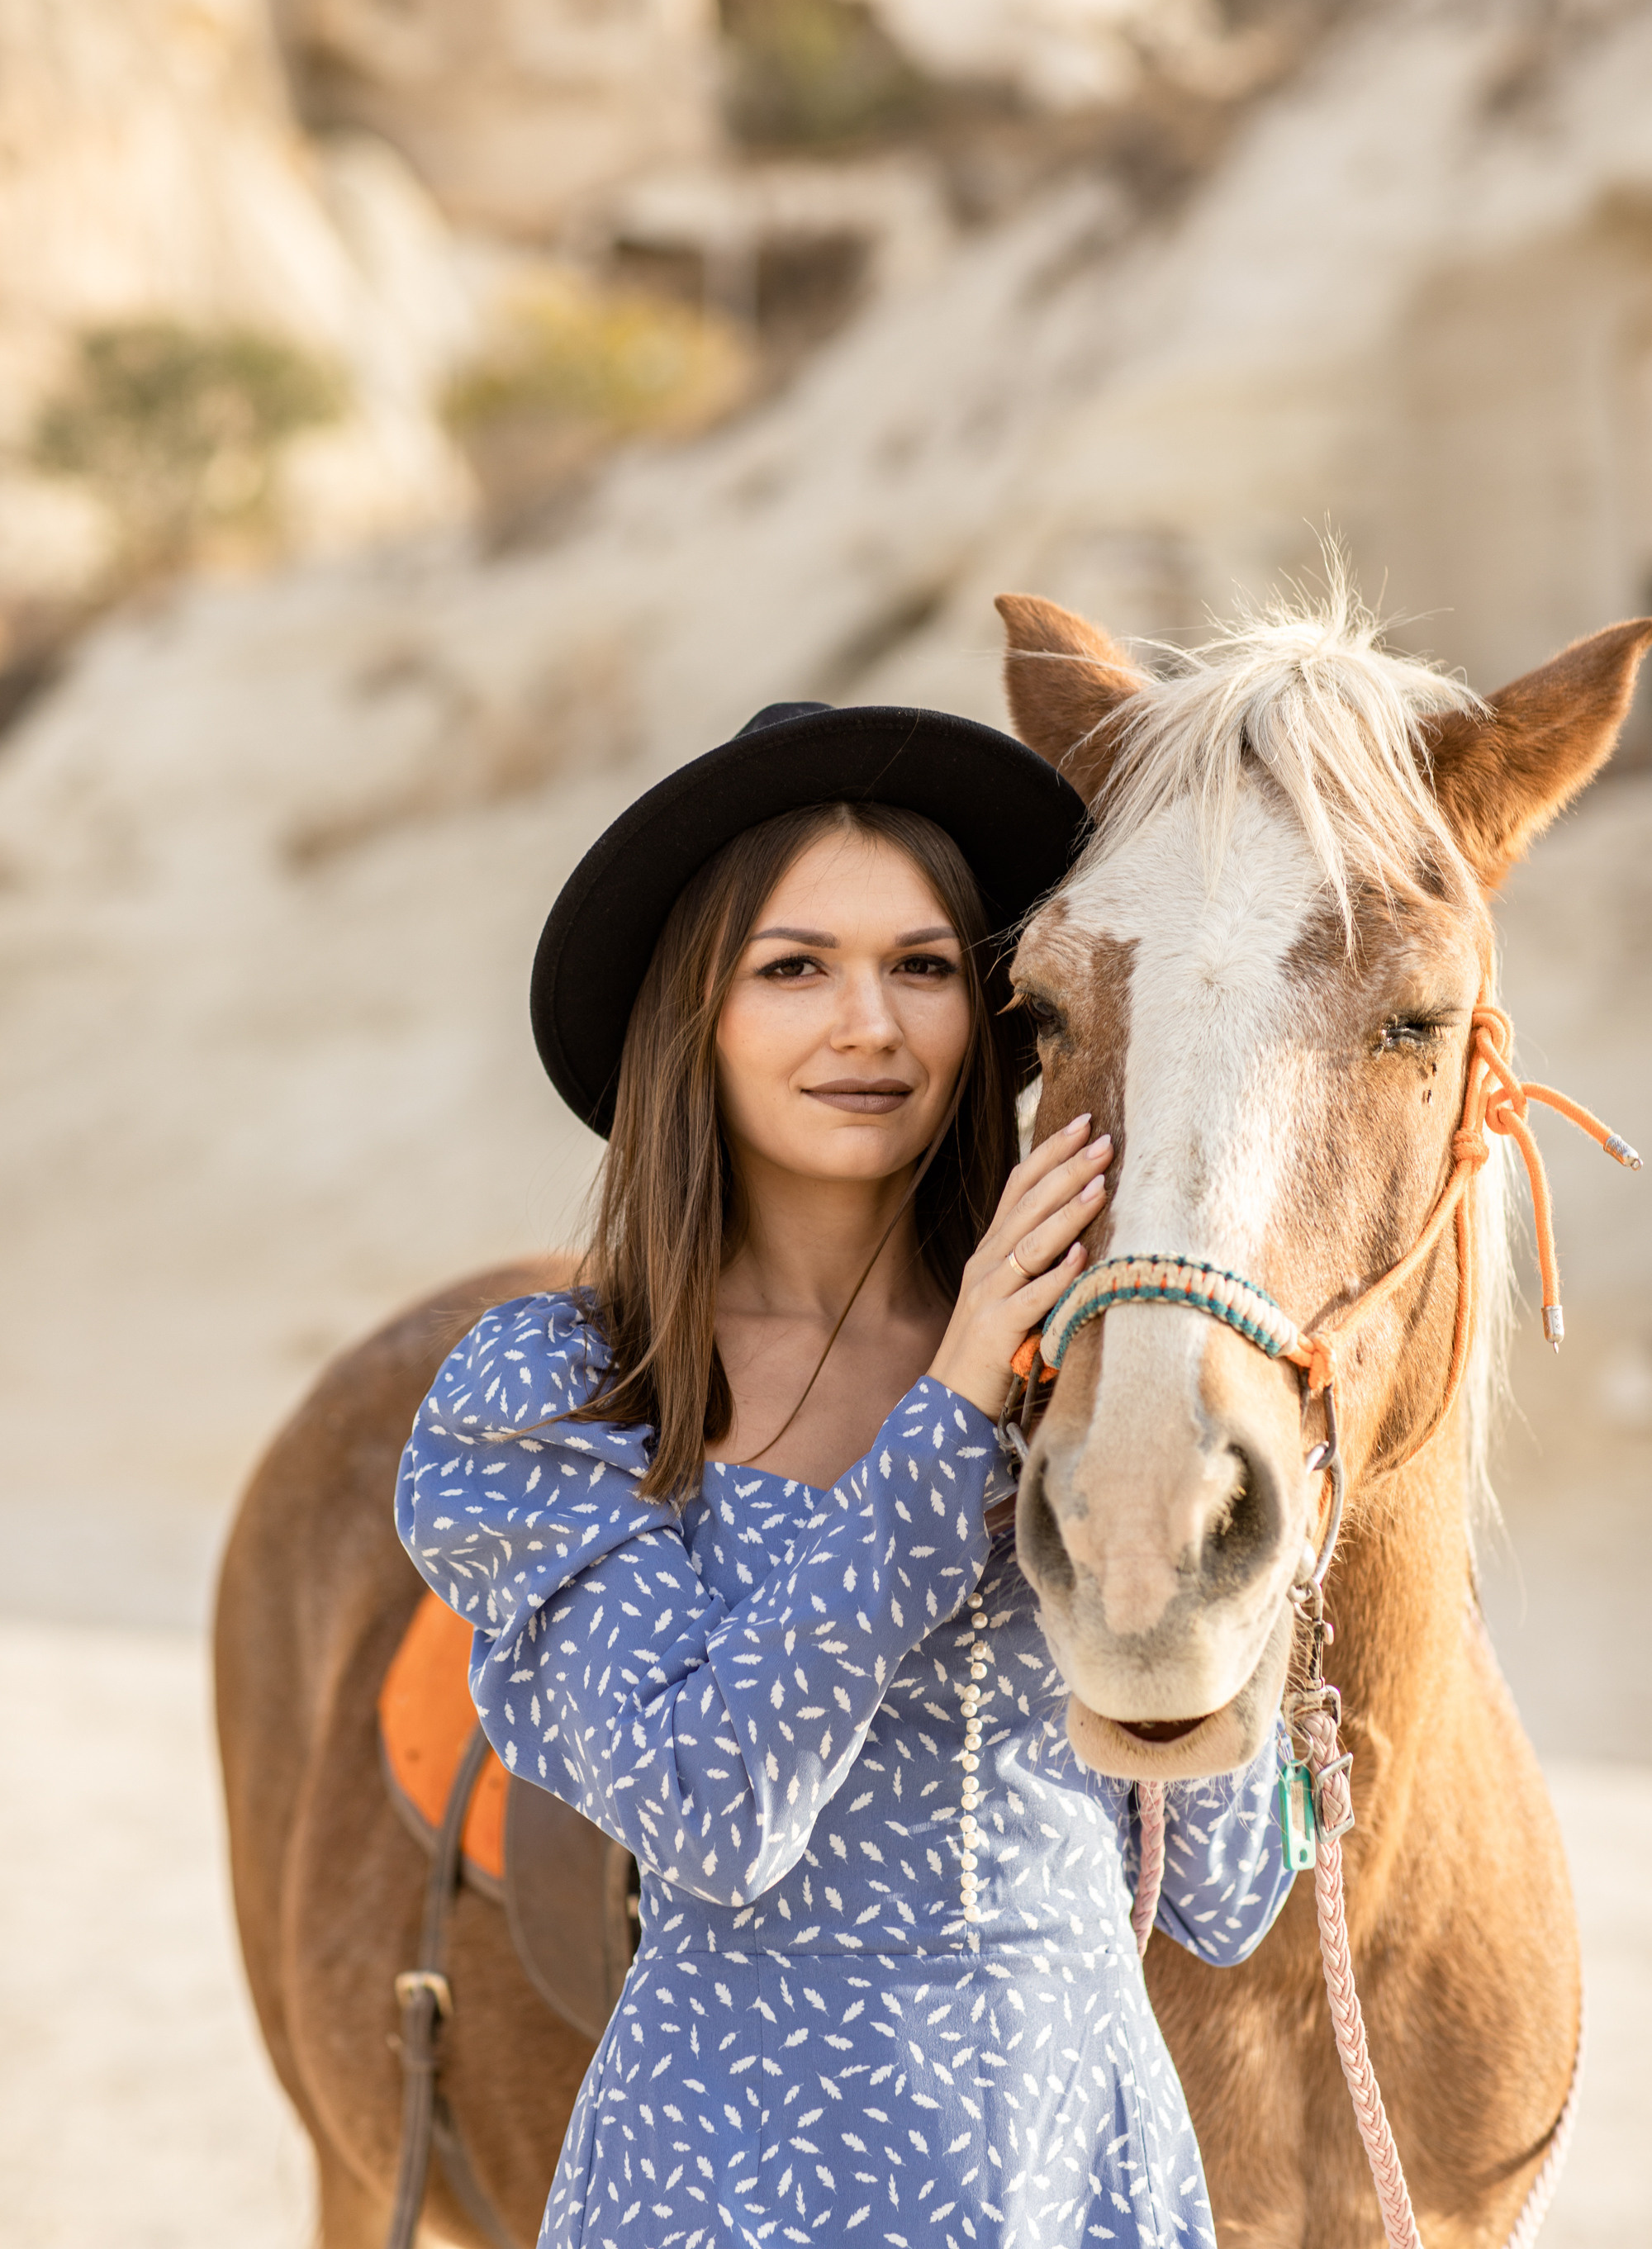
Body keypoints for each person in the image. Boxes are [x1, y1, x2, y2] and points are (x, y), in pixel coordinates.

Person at [396, 699, 1295, 2249]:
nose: (870, 1025)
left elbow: (1226, 1894)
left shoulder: (1076, 1374)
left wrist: (1235, 1508)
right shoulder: (565, 1393)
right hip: (729, 2179)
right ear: (698, 1013)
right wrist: (950, 1407)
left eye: (925, 968)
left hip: (1079, 2165)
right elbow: (711, 1810)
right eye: (795, 967)